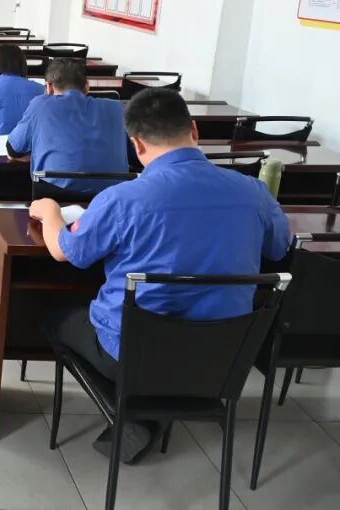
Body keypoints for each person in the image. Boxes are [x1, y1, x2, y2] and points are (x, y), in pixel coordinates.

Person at [30, 88, 291, 462]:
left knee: (54, 319)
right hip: (223, 356)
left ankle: (139, 413)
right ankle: (153, 408)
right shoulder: (253, 191)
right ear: (194, 130)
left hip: (140, 353)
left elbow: (66, 252)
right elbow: (279, 250)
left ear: (136, 144)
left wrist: (49, 211)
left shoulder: (123, 199)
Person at [7, 58, 128, 196]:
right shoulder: (118, 109)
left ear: (49, 87)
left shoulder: (40, 105)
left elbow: (13, 150)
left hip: (54, 197)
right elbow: (133, 154)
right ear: (87, 86)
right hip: (111, 198)